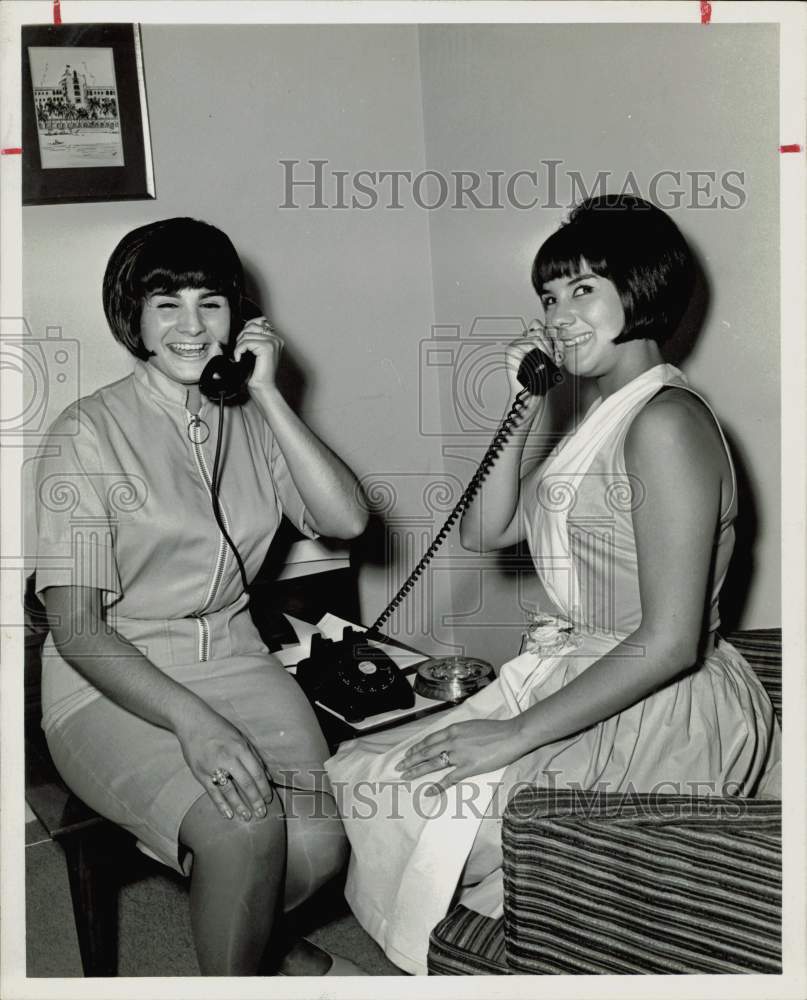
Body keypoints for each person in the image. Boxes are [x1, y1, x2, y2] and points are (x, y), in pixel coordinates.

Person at [325, 195, 782, 975]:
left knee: (444, 818)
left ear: (640, 293)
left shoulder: (664, 425)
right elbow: (485, 529)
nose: (558, 313)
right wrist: (528, 400)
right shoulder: (604, 417)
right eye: (548, 295)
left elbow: (669, 641)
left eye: (583, 290)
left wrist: (512, 735)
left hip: (660, 702)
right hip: (586, 674)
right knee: (380, 777)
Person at [34, 217, 370, 976]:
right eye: (167, 305)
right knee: (243, 828)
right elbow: (78, 628)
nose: (192, 326)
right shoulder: (85, 434)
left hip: (235, 657)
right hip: (111, 679)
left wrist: (272, 397)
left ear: (238, 314)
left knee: (319, 841)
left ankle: (259, 946)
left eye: (209, 303)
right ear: (134, 320)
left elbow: (345, 519)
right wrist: (195, 724)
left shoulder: (250, 415)